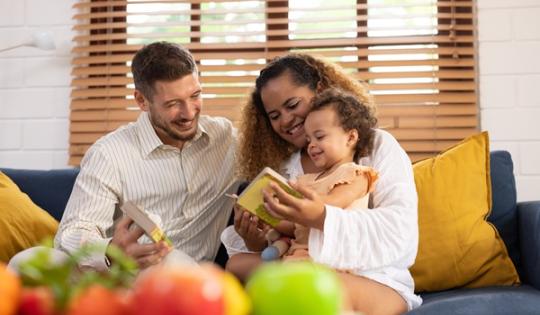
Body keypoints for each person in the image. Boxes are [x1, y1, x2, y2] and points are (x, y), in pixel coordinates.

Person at [221, 53, 422, 314]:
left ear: (319, 91)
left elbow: (400, 234)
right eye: (274, 115)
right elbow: (282, 243)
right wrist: (256, 240)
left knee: (310, 289)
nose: (286, 120)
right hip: (299, 266)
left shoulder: (373, 147)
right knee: (240, 269)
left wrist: (321, 216)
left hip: (373, 279)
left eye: (292, 105)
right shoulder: (285, 169)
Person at [10, 41, 238, 272]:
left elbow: (274, 150)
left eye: (195, 95)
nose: (189, 113)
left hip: (178, 280)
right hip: (115, 273)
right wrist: (111, 250)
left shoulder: (226, 140)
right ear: (141, 100)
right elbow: (74, 231)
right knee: (27, 261)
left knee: (172, 260)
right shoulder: (109, 153)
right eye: (172, 104)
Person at [271, 88, 379, 262]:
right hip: (301, 253)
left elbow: (333, 205)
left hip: (329, 255)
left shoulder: (356, 174)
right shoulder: (307, 180)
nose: (311, 145)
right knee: (236, 264)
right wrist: (271, 215)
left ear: (350, 138)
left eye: (319, 137)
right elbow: (296, 226)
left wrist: (295, 202)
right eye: (308, 140)